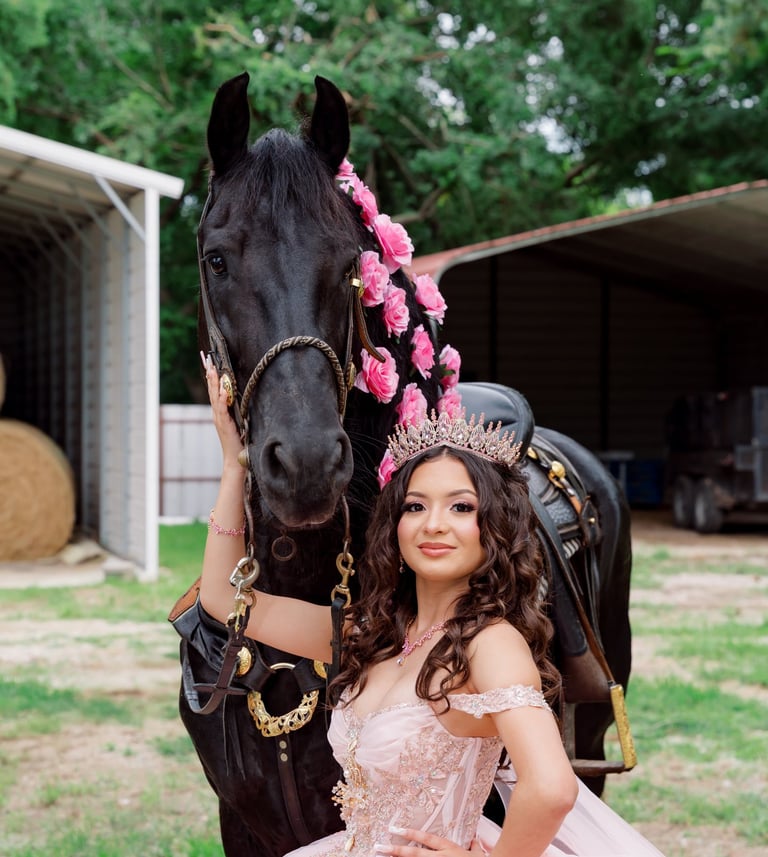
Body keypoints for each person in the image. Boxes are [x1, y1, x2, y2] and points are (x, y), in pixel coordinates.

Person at [199, 353, 666, 857]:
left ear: (494, 526)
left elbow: (551, 789)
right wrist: (234, 467)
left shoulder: (491, 644)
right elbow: (224, 600)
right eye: (415, 506)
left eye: (461, 507)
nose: (433, 524)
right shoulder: (369, 632)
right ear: (394, 525)